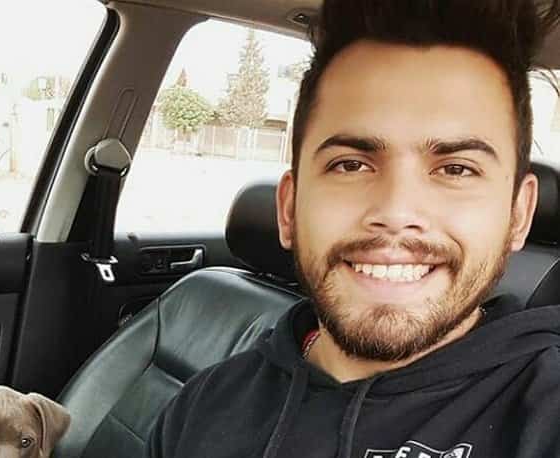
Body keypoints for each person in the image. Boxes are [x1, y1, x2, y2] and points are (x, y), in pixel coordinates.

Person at [146, 0, 560, 457]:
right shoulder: (202, 407)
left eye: (456, 169)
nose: (396, 211)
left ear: (519, 214)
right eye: (350, 165)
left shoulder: (543, 411)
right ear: (289, 208)